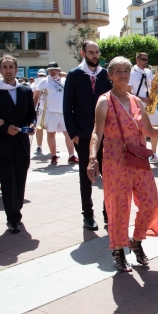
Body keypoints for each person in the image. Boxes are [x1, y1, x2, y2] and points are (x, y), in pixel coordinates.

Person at [87, 57, 158, 272]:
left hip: (138, 158)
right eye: (117, 71)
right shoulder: (104, 101)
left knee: (150, 201)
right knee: (119, 207)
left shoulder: (136, 101)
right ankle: (119, 250)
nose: (122, 74)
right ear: (110, 76)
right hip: (114, 160)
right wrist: (93, 158)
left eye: (125, 70)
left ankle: (136, 240)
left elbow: (149, 131)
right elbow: (97, 132)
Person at [0, 55, 37, 234]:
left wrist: (31, 125)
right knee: (7, 182)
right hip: (2, 144)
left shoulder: (25, 91)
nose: (8, 70)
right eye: (4, 67)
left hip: (22, 143)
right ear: (0, 70)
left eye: (10, 67)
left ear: (16, 69)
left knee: (20, 180)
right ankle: (12, 218)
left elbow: (31, 114)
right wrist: (5, 128)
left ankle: (17, 211)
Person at [64, 40, 112, 230]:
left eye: (97, 52)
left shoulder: (105, 75)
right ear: (83, 53)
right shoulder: (75, 75)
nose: (95, 55)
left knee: (108, 175)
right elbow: (67, 106)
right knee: (87, 176)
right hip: (83, 135)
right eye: (91, 52)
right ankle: (88, 215)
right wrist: (73, 133)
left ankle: (108, 213)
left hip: (106, 135)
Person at [34, 62, 77, 165]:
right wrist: (33, 109)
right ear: (47, 71)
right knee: (51, 134)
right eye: (50, 70)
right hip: (50, 112)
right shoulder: (44, 81)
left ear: (58, 70)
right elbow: (36, 95)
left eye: (55, 70)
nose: (52, 72)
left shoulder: (64, 80)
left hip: (64, 112)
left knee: (68, 134)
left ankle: (71, 155)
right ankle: (53, 156)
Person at [128, 52, 158, 163]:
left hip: (151, 103)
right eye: (143, 59)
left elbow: (151, 85)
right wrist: (143, 100)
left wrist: (156, 85)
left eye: (146, 59)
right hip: (138, 104)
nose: (146, 61)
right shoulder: (132, 73)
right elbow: (128, 92)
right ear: (137, 60)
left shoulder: (148, 72)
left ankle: (153, 154)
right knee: (141, 130)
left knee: (156, 127)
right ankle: (143, 153)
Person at [32, 69, 47, 155]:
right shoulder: (34, 84)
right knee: (39, 128)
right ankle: (39, 146)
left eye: (43, 76)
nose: (41, 77)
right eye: (40, 75)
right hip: (39, 109)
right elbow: (32, 95)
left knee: (51, 130)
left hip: (49, 109)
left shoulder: (48, 82)